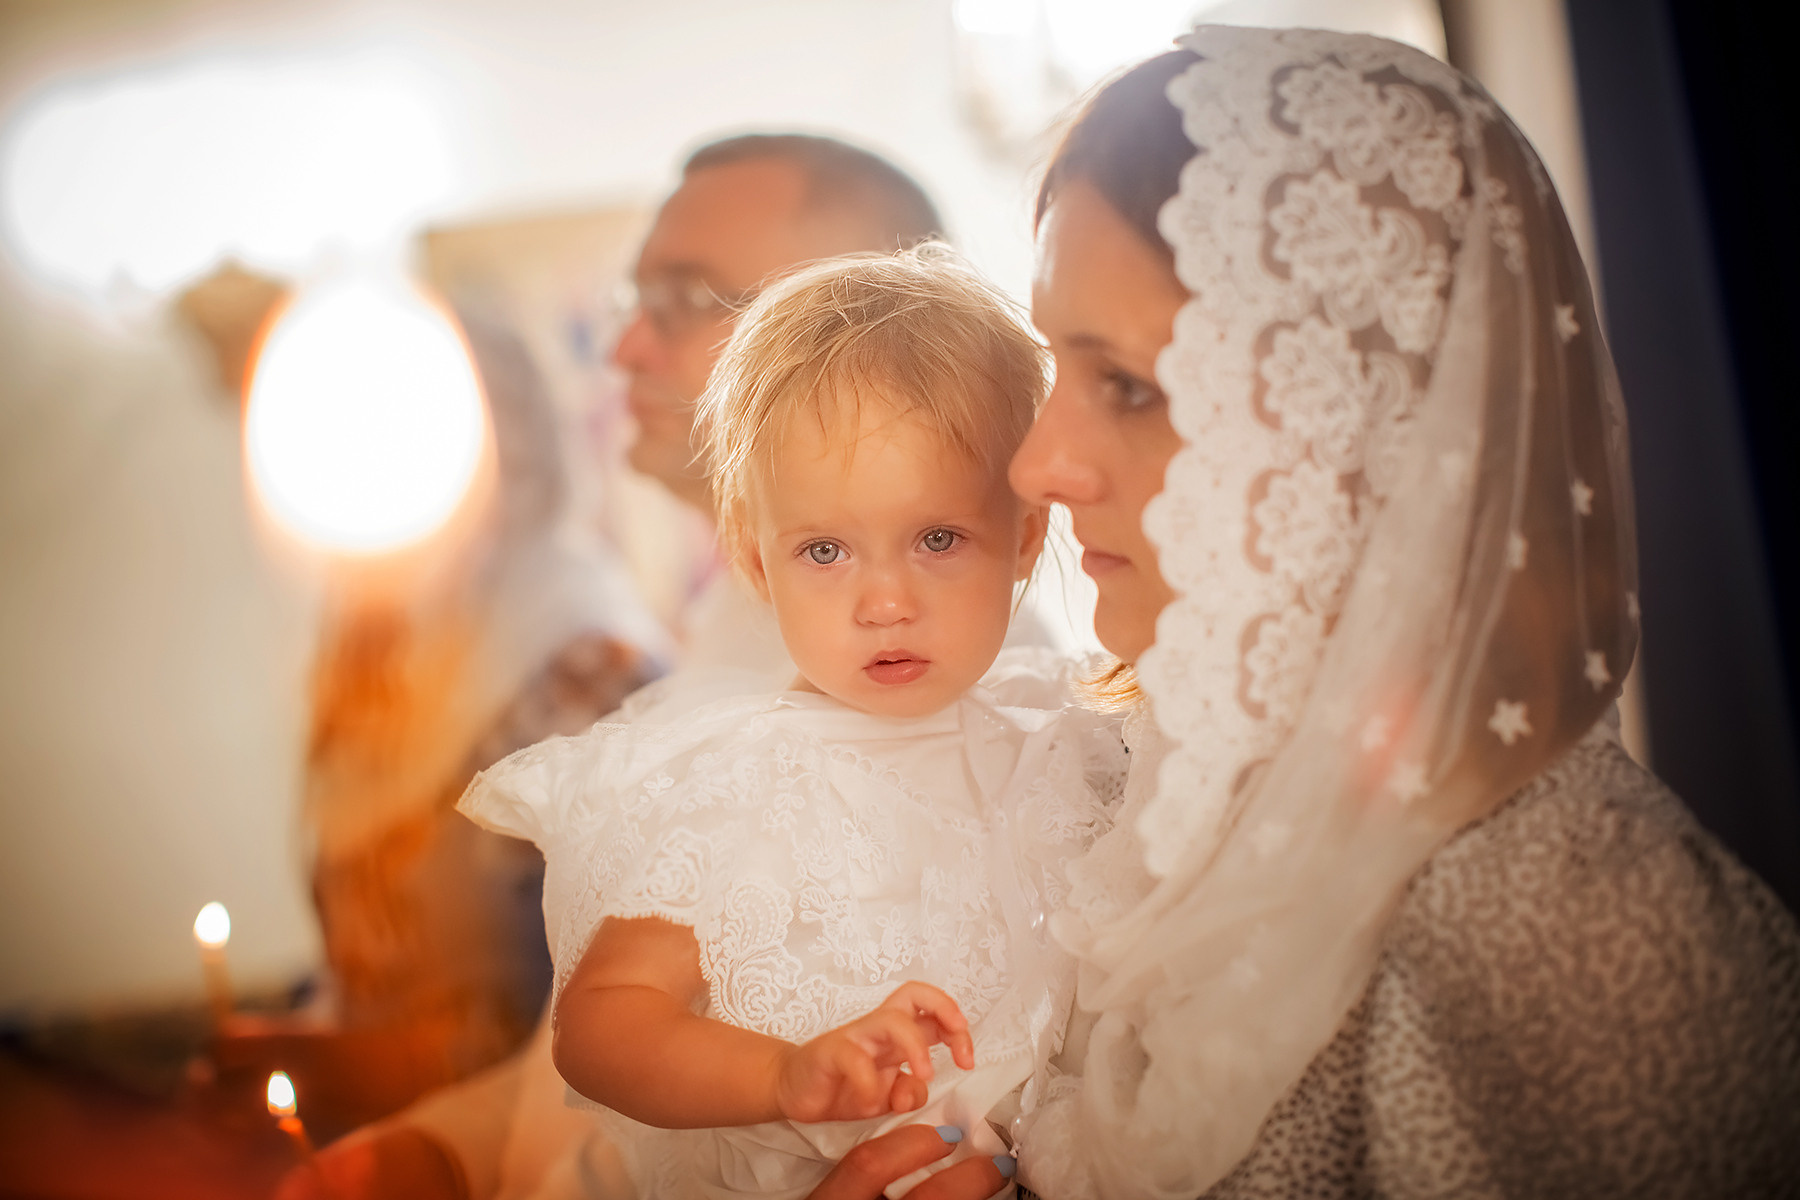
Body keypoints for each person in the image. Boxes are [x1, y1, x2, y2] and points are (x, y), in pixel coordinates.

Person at [810, 24, 1800, 1200]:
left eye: (1128, 385)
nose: (1038, 465)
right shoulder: (1157, 808)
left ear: (1362, 428)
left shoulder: (1574, 928)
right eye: (1059, 369)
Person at [275, 133, 969, 1200]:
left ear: (859, 326)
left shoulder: (935, 697)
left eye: (685, 298)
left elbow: (901, 1112)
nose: (625, 348)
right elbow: (581, 1064)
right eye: (633, 300)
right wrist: (433, 1149)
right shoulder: (728, 624)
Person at [459, 248, 1117, 1198]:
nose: (884, 602)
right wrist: (780, 1072)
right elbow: (601, 1023)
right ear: (756, 561)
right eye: (825, 551)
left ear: (1024, 537)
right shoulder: (738, 780)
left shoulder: (1066, 746)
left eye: (937, 539)